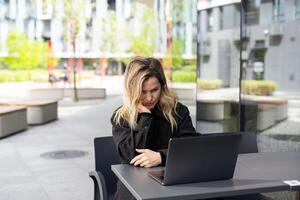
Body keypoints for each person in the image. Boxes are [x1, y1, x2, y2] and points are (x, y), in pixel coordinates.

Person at [111, 57, 198, 200]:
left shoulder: (178, 111)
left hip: (173, 184)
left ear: (162, 87)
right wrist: (145, 117)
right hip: (133, 188)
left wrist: (161, 157)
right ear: (132, 90)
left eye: (154, 90)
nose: (149, 97)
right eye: (143, 91)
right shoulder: (121, 117)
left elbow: (190, 147)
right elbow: (131, 157)